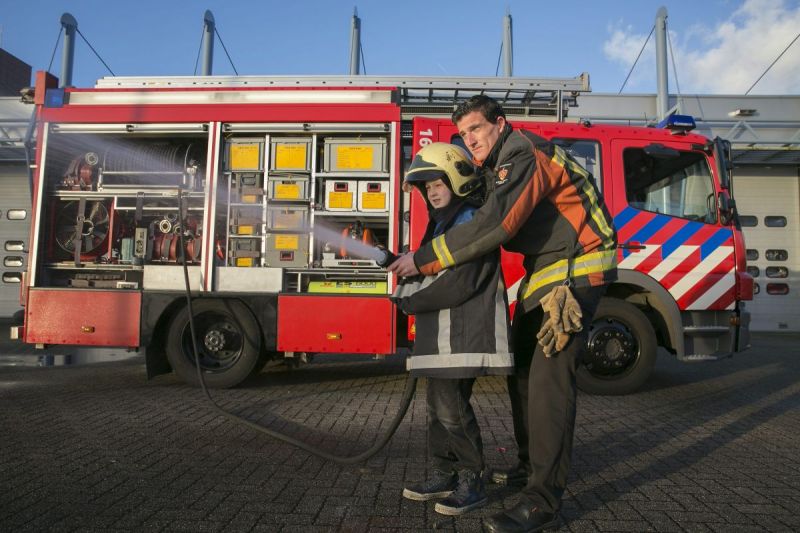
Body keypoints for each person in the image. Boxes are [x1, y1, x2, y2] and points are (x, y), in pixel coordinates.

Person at [388, 95, 617, 532]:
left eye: (475, 128)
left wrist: (423, 259)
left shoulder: (522, 152)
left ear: (500, 123)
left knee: (549, 385)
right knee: (524, 377)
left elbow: (497, 224)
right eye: (463, 133)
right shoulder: (498, 165)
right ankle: (530, 469)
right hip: (545, 273)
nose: (469, 139)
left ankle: (542, 500)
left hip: (575, 273)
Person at [392, 142, 514, 517]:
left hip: (464, 335)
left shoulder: (469, 222)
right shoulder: (442, 224)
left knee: (451, 410)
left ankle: (471, 479)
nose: (431, 191)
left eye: (436, 183)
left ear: (458, 180)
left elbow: (461, 282)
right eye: (425, 187)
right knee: (437, 410)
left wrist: (407, 299)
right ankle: (446, 473)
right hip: (444, 338)